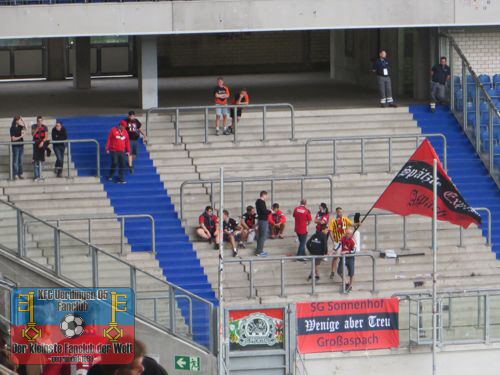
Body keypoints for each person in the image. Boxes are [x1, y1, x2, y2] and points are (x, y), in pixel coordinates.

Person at [328, 207, 353, 279]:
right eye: (339, 212)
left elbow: (352, 224)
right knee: (335, 257)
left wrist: (358, 223)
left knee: (344, 256)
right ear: (336, 212)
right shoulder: (333, 221)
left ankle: (342, 271)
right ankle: (333, 272)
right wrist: (333, 241)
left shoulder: (345, 219)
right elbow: (330, 231)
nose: (340, 213)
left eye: (341, 212)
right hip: (337, 242)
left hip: (344, 242)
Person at [106, 120, 130, 184]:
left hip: (122, 151)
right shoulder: (113, 130)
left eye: (125, 127)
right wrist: (107, 148)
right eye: (123, 126)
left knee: (122, 164)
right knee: (115, 162)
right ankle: (111, 174)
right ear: (120, 125)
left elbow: (127, 142)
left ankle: (121, 179)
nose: (124, 128)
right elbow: (109, 139)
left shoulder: (125, 132)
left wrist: (128, 151)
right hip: (114, 150)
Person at [337, 228, 356, 292]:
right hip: (343, 257)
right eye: (346, 232)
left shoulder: (353, 240)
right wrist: (333, 251)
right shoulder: (343, 238)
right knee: (339, 271)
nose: (346, 234)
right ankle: (346, 282)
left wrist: (347, 252)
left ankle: (350, 285)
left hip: (350, 258)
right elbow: (338, 245)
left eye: (348, 233)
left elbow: (354, 251)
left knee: (351, 273)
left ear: (351, 234)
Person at [31, 116, 49, 181]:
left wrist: (42, 142)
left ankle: (40, 175)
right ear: (37, 121)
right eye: (38, 121)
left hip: (42, 144)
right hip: (35, 144)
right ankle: (36, 176)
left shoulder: (45, 127)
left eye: (41, 121)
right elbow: (32, 134)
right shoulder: (33, 126)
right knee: (35, 160)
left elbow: (46, 136)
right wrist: (37, 128)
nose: (40, 122)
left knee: (41, 160)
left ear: (42, 121)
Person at [10, 115, 26, 180]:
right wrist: (21, 136)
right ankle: (15, 174)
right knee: (15, 161)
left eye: (20, 120)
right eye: (19, 120)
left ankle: (20, 174)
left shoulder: (19, 126)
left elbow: (26, 127)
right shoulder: (12, 128)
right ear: (16, 121)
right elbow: (13, 139)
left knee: (21, 161)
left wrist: (23, 120)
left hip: (21, 146)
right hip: (15, 146)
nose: (19, 121)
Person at [255, 191, 270, 257]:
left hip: (260, 220)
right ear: (263, 195)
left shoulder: (257, 202)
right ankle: (259, 251)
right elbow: (264, 211)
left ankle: (259, 250)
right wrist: (270, 211)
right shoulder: (261, 202)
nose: (266, 197)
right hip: (263, 220)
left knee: (260, 235)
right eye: (266, 195)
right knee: (263, 236)